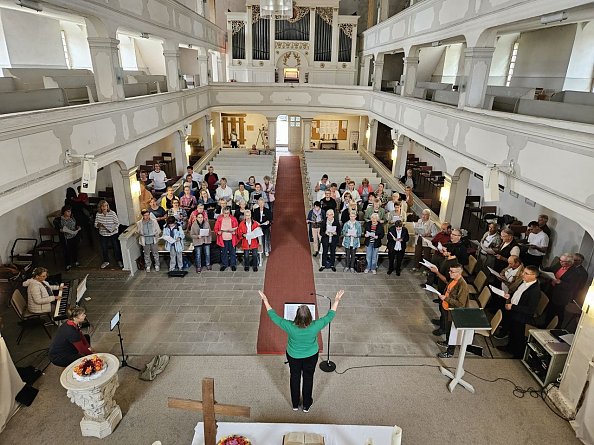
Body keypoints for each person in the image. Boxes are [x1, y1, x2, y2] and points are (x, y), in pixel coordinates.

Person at [259, 289, 344, 412]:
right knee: (308, 378)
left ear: (296, 316)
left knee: (295, 377)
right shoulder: (316, 325)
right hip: (311, 355)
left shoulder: (289, 325)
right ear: (310, 316)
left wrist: (265, 300)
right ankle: (306, 405)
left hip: (293, 355)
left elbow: (273, 316)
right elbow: (330, 316)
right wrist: (336, 301)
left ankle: (294, 404)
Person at [496, 266, 541, 358]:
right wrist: (510, 296)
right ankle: (509, 347)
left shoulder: (535, 291)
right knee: (512, 331)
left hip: (521, 316)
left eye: (526, 273)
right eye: (523, 272)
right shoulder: (524, 282)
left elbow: (530, 309)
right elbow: (518, 293)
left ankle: (517, 354)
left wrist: (513, 307)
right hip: (514, 310)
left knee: (517, 334)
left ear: (534, 276)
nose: (522, 274)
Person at [431, 264, 469, 358]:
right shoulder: (453, 279)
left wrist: (446, 299)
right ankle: (447, 342)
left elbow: (460, 303)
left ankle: (450, 351)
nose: (449, 273)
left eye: (452, 271)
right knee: (447, 329)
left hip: (453, 312)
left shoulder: (462, 285)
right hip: (446, 308)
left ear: (459, 272)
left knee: (452, 332)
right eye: (450, 270)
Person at [94, 200, 123, 269]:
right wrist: (98, 225)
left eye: (106, 206)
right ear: (100, 207)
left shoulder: (112, 213)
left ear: (107, 206)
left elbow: (117, 223)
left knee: (116, 247)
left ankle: (118, 260)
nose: (104, 207)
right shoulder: (98, 214)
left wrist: (113, 228)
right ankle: (106, 261)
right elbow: (95, 224)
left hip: (113, 233)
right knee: (104, 248)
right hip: (103, 234)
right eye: (103, 206)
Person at [56, 205, 81, 271]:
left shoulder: (72, 217)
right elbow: (59, 229)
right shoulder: (59, 220)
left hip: (74, 237)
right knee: (67, 251)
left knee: (75, 249)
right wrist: (66, 230)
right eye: (68, 211)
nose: (69, 213)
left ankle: (75, 261)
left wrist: (78, 228)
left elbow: (76, 224)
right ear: (64, 212)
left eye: (70, 211)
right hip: (66, 238)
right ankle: (68, 264)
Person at [214, 207, 239, 271]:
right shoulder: (219, 219)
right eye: (225, 213)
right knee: (224, 253)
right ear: (223, 213)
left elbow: (237, 228)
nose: (226, 215)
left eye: (228, 213)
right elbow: (216, 228)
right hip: (223, 238)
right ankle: (225, 264)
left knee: (232, 252)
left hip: (231, 238)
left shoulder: (233, 219)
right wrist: (218, 232)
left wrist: (234, 232)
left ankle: (233, 264)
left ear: (230, 213)